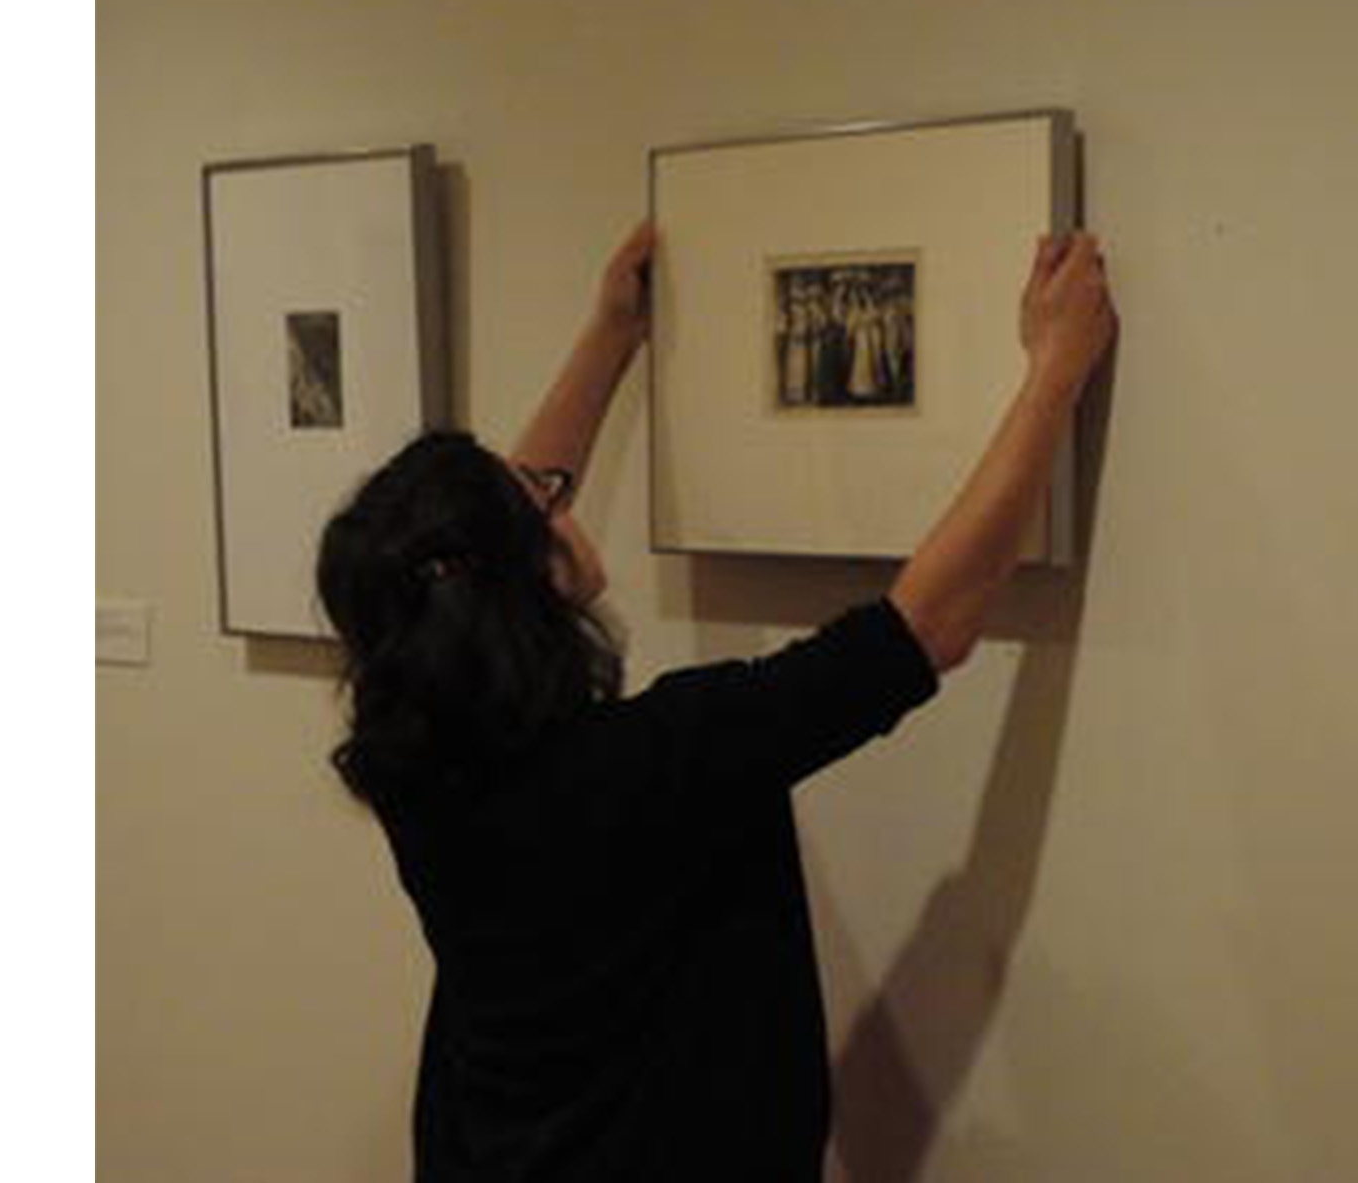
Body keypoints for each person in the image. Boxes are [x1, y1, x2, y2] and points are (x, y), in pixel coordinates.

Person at [315, 221, 1117, 1181]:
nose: (555, 499)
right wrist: (1052, 376)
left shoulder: (417, 765)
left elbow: (480, 546)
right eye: (541, 502)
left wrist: (610, 334)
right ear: (523, 571)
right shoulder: (667, 758)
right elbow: (927, 626)